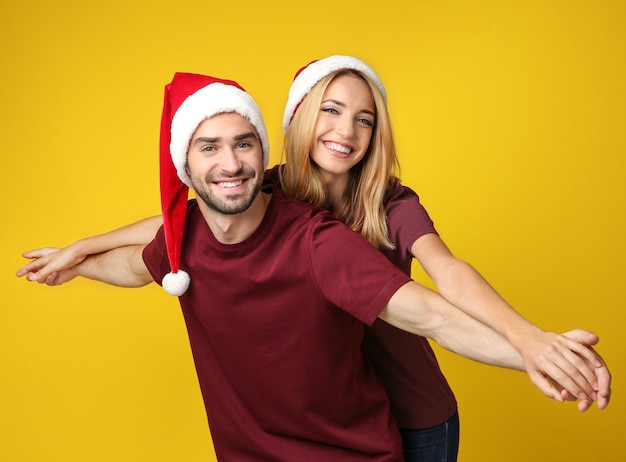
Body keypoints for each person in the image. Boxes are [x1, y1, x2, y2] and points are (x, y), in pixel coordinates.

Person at [17, 60, 612, 461]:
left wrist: (536, 346)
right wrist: (83, 249)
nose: (345, 130)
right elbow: (182, 221)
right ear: (299, 119)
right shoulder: (262, 188)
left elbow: (444, 288)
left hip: (407, 408)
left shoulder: (379, 207)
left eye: (364, 118)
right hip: (327, 403)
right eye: (330, 110)